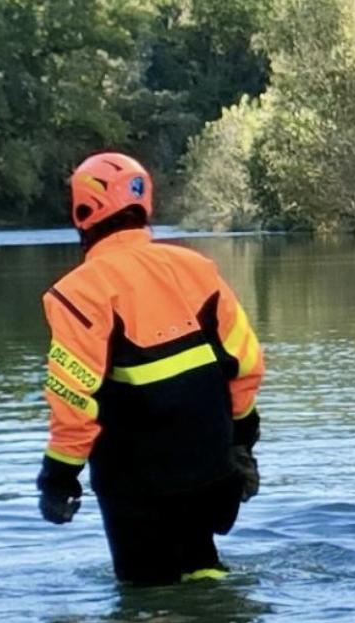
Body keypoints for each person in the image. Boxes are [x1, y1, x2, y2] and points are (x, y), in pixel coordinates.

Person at [35, 152, 265, 585]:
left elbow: (73, 400)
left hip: (139, 486)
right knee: (203, 571)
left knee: (146, 610)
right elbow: (246, 364)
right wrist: (243, 443)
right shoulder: (198, 269)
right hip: (212, 472)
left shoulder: (77, 294)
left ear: (82, 210)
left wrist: (58, 479)